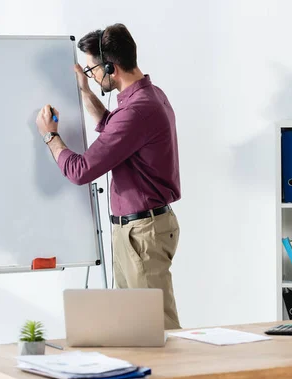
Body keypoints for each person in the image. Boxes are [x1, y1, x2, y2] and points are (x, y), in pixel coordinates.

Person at [35, 23, 184, 331]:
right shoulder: (148, 97)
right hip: (138, 231)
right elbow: (110, 124)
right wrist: (86, 91)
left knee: (157, 331)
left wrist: (51, 138)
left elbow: (81, 171)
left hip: (141, 234)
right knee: (137, 331)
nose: (91, 75)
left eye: (91, 71)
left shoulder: (137, 112)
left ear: (110, 67)